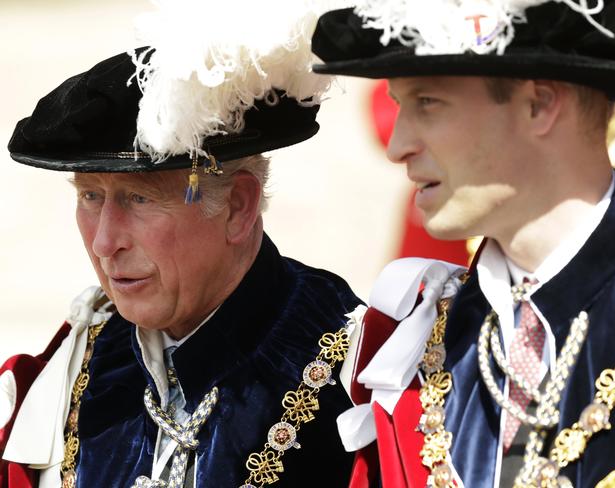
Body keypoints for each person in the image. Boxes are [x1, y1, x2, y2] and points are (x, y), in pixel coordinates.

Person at [0, 3, 364, 487]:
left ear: (237, 205)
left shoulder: (355, 375)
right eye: (90, 196)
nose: (105, 242)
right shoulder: (71, 366)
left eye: (139, 198)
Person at [310, 0, 615, 487]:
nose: (397, 145)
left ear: (539, 104)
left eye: (428, 102)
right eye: (402, 105)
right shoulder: (421, 347)